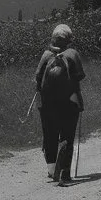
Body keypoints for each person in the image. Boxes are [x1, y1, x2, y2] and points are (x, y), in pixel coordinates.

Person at [34, 24, 85, 186]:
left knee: (49, 134)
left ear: (53, 39)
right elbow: (78, 77)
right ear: (69, 39)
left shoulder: (46, 55)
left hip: (47, 103)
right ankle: (64, 173)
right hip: (69, 101)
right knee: (67, 136)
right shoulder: (73, 54)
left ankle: (51, 170)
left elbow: (37, 78)